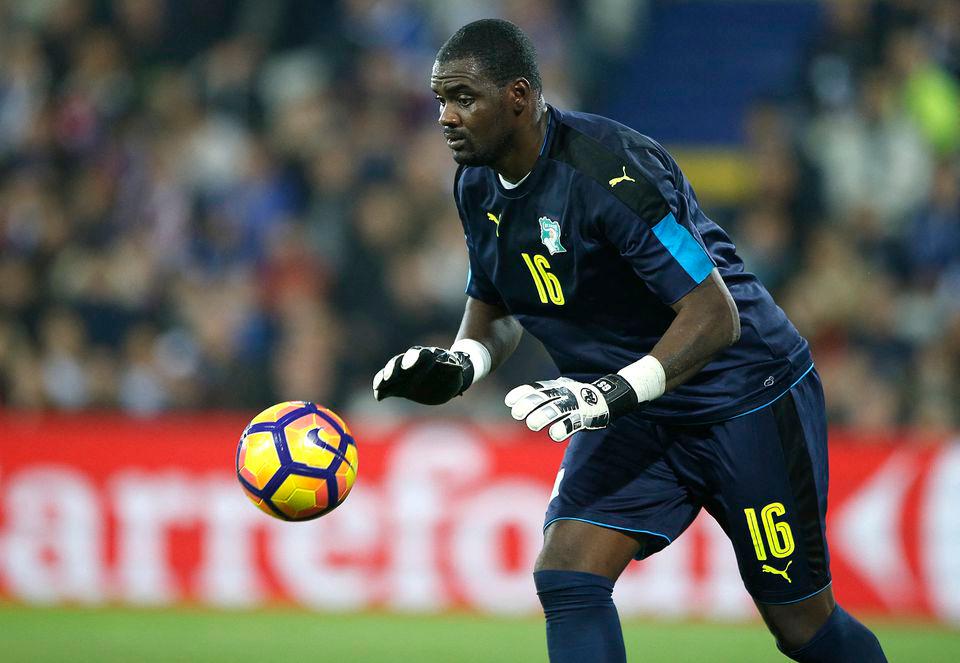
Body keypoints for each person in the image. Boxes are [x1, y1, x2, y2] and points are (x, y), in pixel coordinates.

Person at [373, 18, 887, 663]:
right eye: (440, 98)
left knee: (802, 625)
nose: (445, 116)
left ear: (520, 96)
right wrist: (461, 362)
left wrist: (608, 395)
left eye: (464, 98)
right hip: (635, 408)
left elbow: (714, 316)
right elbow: (497, 304)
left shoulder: (610, 173)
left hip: (743, 397)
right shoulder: (476, 183)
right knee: (568, 571)